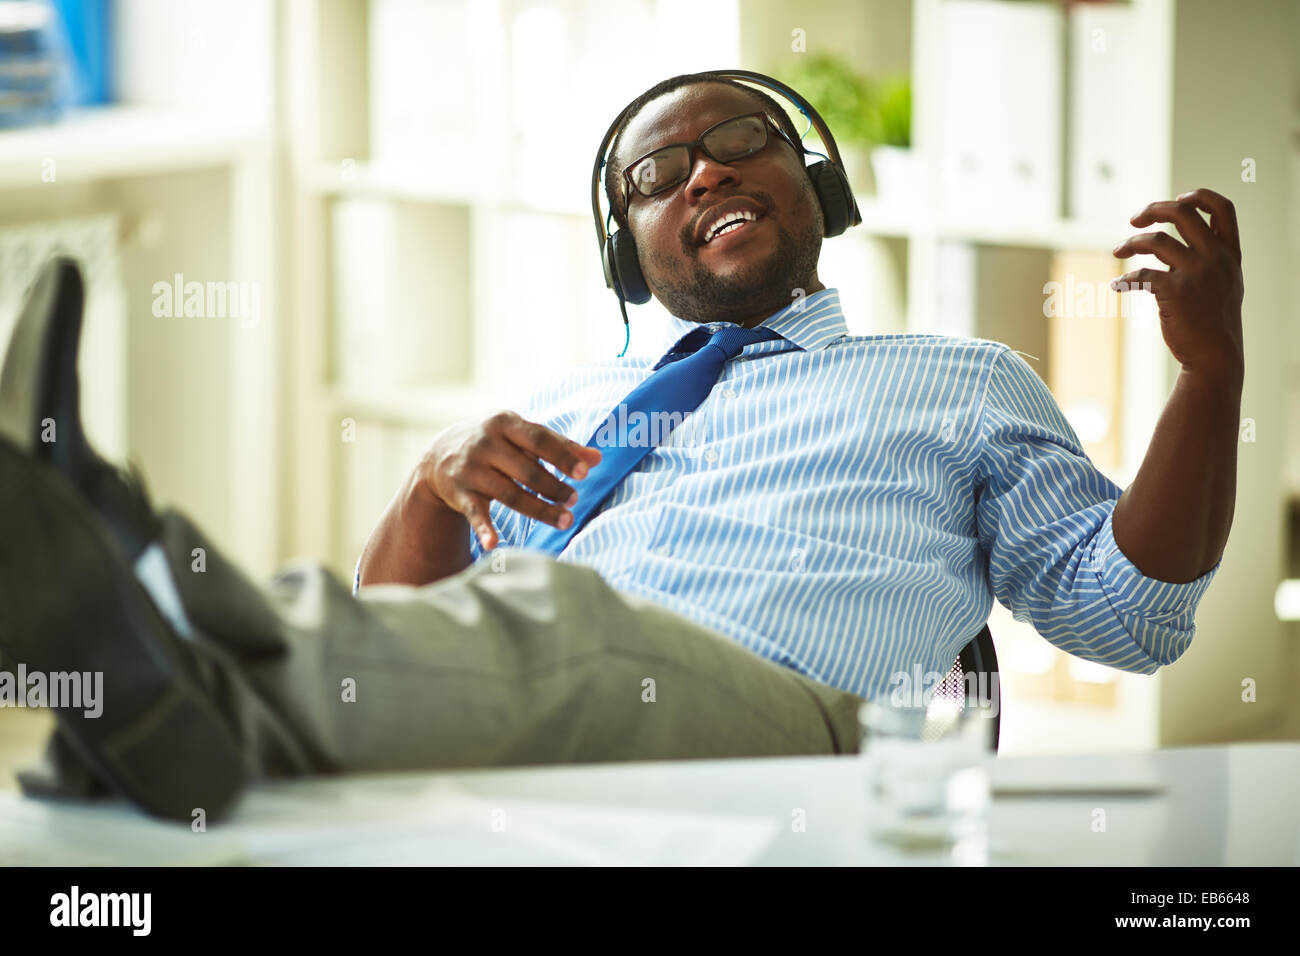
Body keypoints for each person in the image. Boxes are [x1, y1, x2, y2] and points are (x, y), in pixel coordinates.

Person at [0, 74, 1244, 823]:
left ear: (816, 183)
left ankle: (137, 581)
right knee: (517, 640)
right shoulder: (568, 399)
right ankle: (147, 685)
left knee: (576, 626)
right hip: (574, 702)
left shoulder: (958, 383)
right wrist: (431, 490)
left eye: (740, 140)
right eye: (659, 173)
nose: (704, 170)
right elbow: (401, 638)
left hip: (805, 735)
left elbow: (1129, 614)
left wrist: (1207, 373)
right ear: (628, 251)